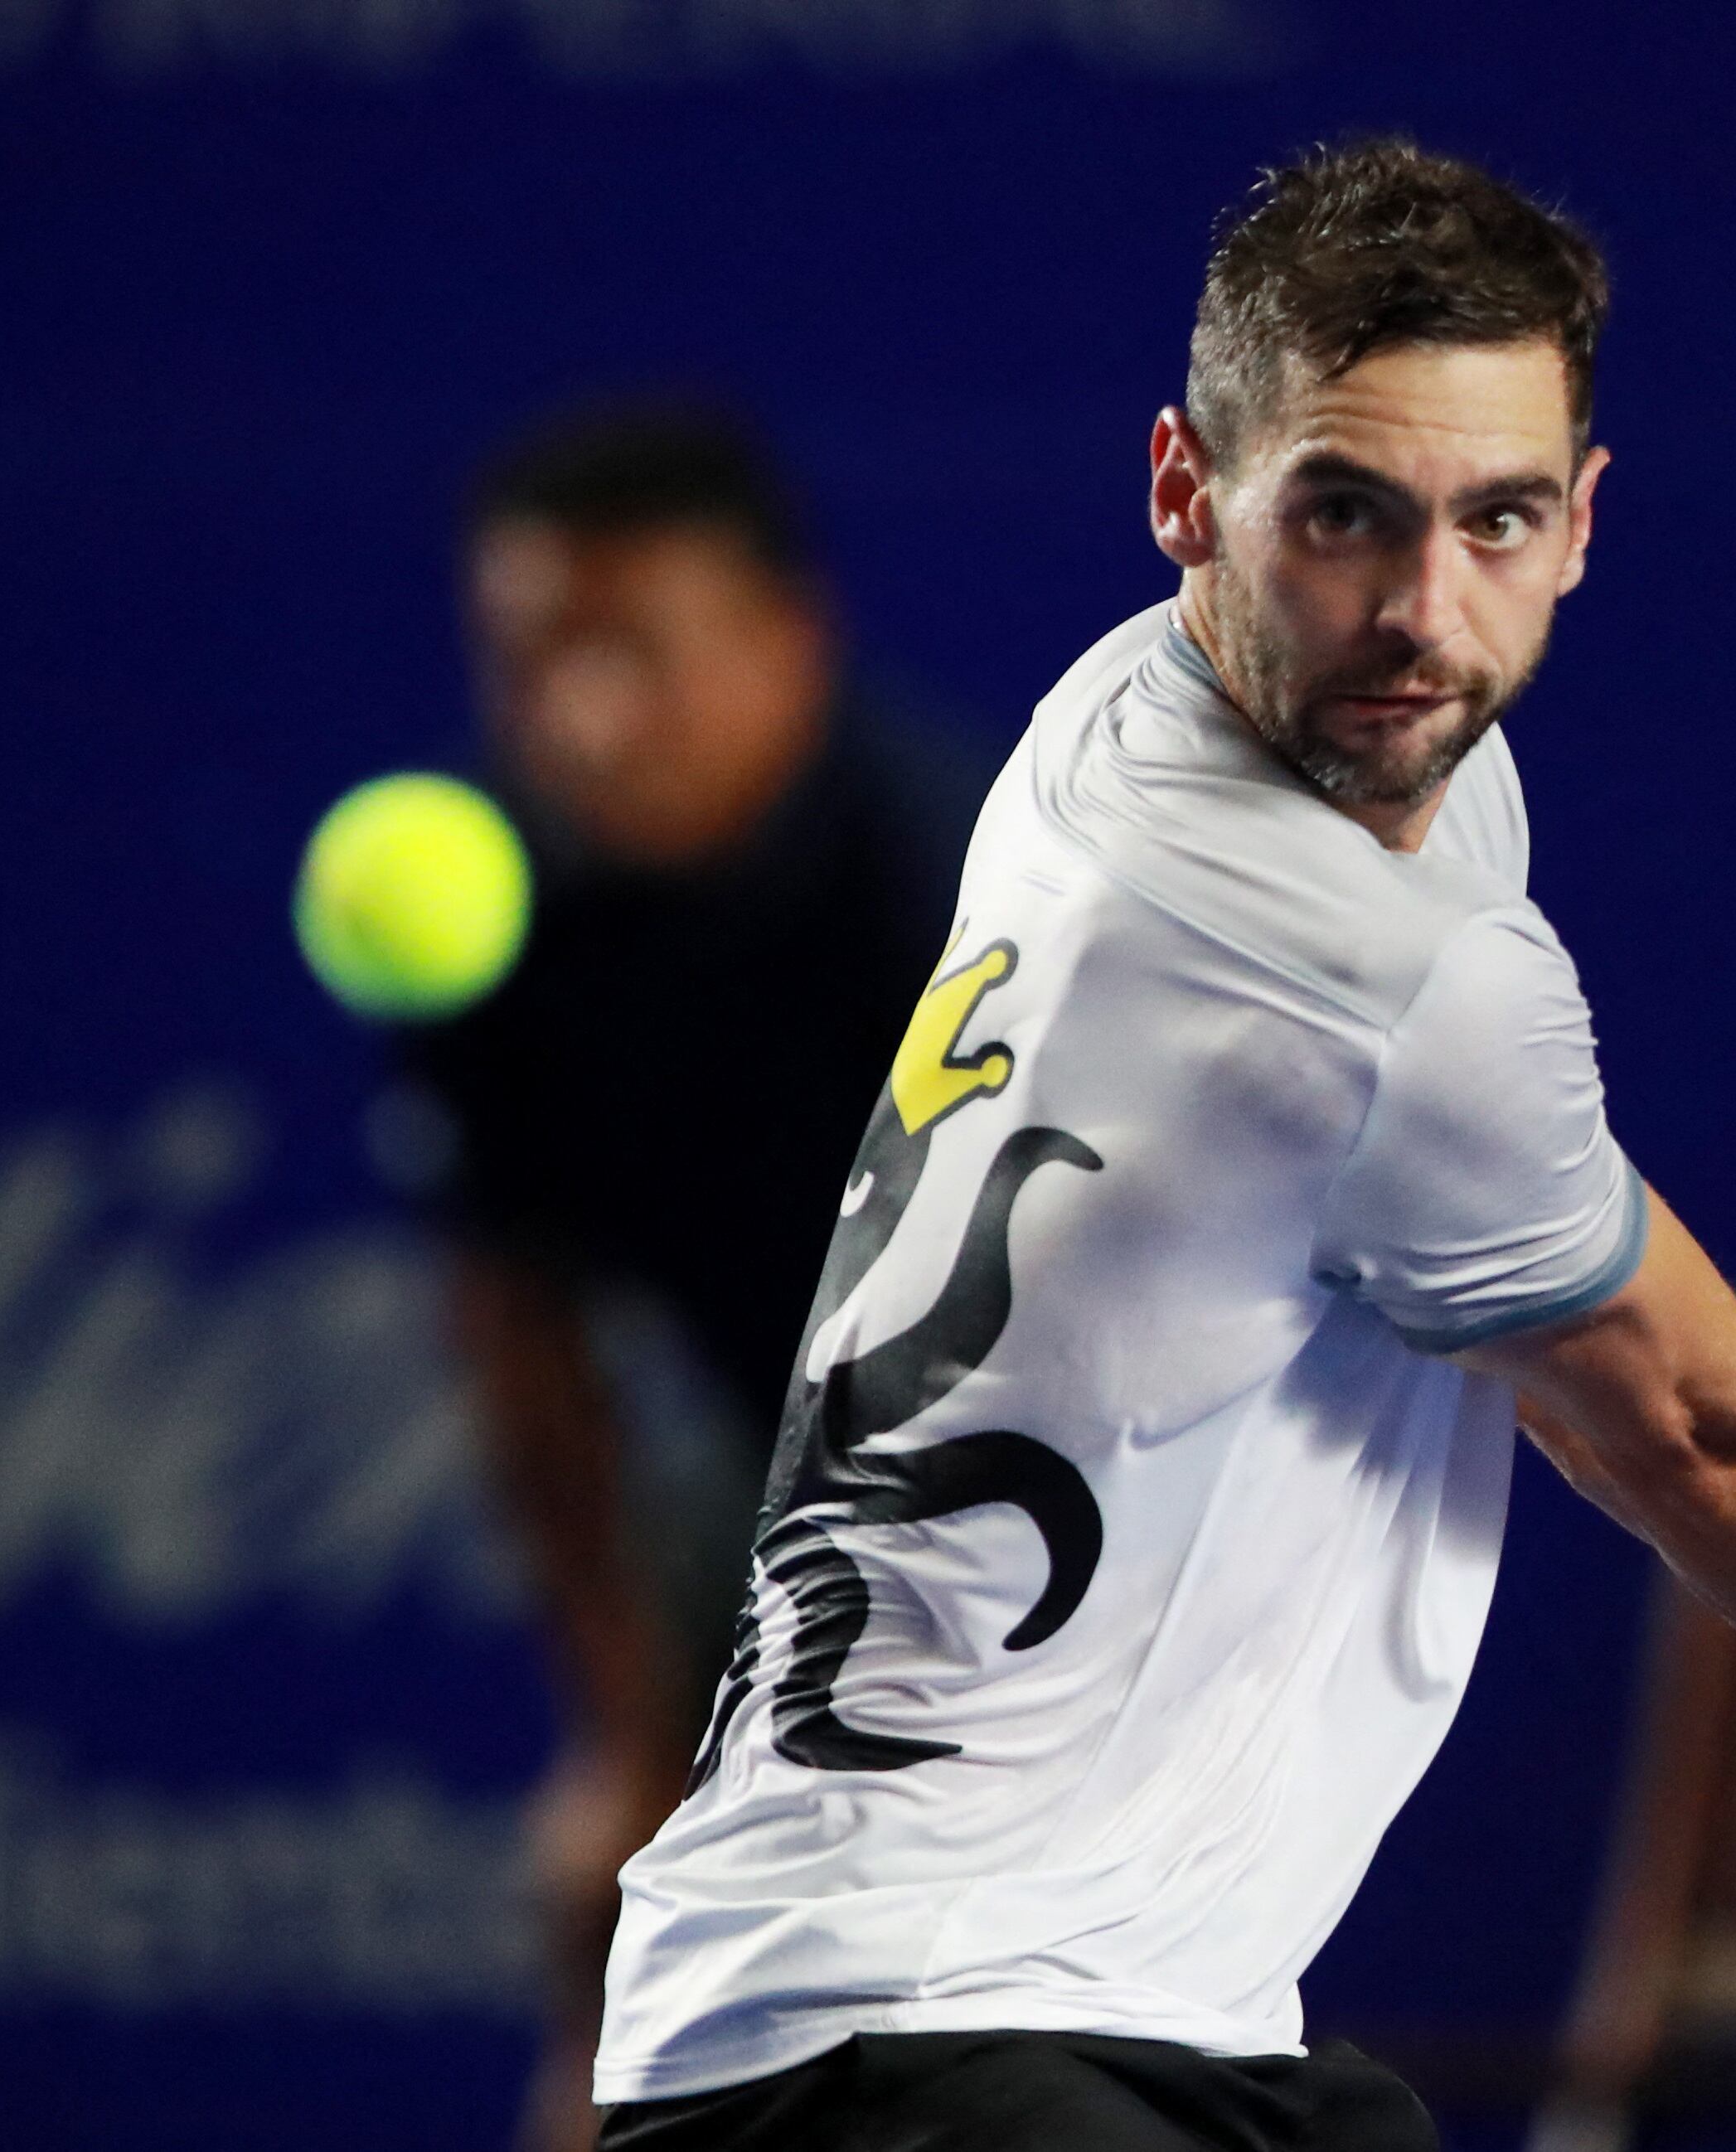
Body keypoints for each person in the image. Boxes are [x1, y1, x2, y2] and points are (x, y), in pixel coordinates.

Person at [589, 143, 1736, 2152]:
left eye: (1496, 518)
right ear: (1184, 490)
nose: (1423, 612)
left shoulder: (1165, 722)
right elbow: (1689, 1419)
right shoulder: (1362, 965)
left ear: (1581, 521)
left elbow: (1585, 1365)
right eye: (1344, 512)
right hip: (913, 2038)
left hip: (1087, 2016)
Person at [392, 405, 993, 2152]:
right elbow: (527, 1346)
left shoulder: (964, 903)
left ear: (787, 644)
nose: (577, 717)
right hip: (783, 1445)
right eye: (531, 657)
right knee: (612, 1908)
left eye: (632, 653)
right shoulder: (499, 903)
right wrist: (624, 1739)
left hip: (1080, 1473)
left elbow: (1072, 1368)